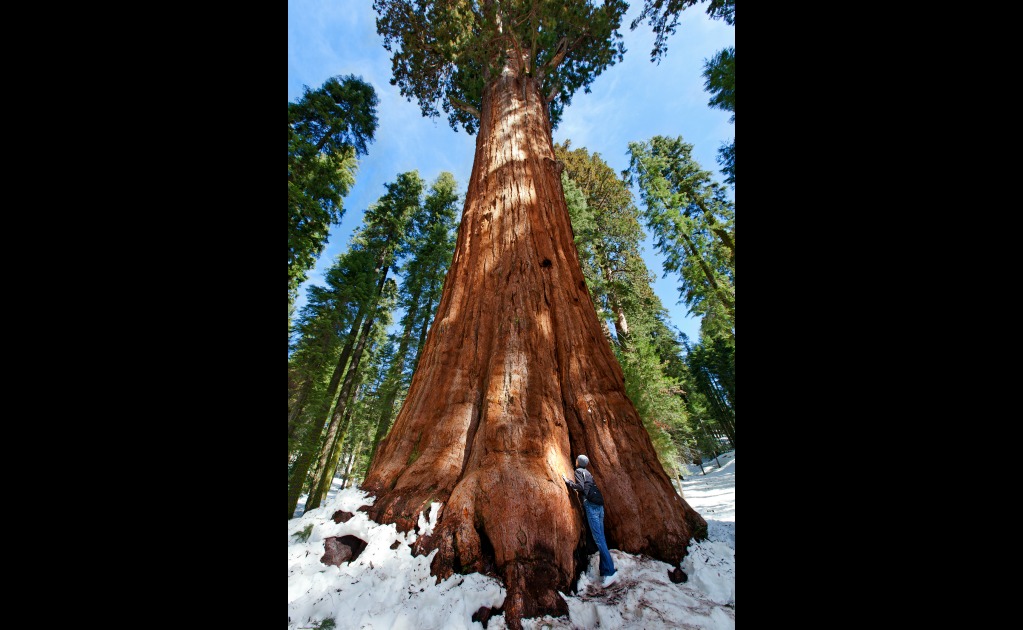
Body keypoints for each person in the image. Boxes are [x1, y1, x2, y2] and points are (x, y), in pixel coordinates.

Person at [563, 454, 618, 587]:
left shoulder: (578, 471)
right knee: (601, 537)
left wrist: (568, 482)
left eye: (577, 460)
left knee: (598, 538)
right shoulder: (588, 473)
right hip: (599, 506)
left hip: (591, 506)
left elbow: (581, 487)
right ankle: (605, 569)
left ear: (579, 462)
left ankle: (610, 572)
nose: (575, 461)